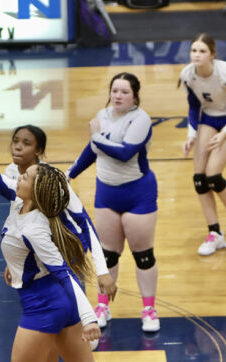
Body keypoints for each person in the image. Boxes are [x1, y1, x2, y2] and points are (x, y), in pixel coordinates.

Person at [0, 95, 114, 362]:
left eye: (27, 143)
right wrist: (17, 262)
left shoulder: (53, 189)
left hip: (48, 294)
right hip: (53, 284)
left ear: (40, 152)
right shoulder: (23, 190)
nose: (18, 148)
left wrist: (99, 282)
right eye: (16, 141)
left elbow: (83, 226)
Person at [67, 72, 161, 332]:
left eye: (124, 92)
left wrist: (97, 136)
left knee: (143, 255)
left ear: (135, 96)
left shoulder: (140, 119)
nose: (118, 96)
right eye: (115, 90)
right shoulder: (103, 115)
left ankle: (149, 309)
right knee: (107, 254)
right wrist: (70, 173)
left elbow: (125, 153)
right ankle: (102, 306)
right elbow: (93, 150)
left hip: (138, 193)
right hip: (106, 193)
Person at [179, 33, 226, 256]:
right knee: (199, 180)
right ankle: (215, 233)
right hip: (209, 118)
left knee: (213, 175)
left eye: (201, 51)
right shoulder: (187, 75)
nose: (196, 55)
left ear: (212, 54)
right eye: (193, 50)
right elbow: (193, 108)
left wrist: (225, 133)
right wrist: (192, 135)